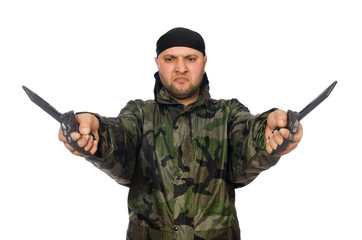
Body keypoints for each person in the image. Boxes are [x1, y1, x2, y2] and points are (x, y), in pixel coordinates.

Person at [58, 27, 303, 240]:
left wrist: (269, 134)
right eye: (170, 59)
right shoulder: (140, 113)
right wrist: (95, 134)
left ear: (204, 61)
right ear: (157, 62)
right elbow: (120, 138)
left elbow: (247, 137)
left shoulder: (227, 113)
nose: (181, 68)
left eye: (190, 58)